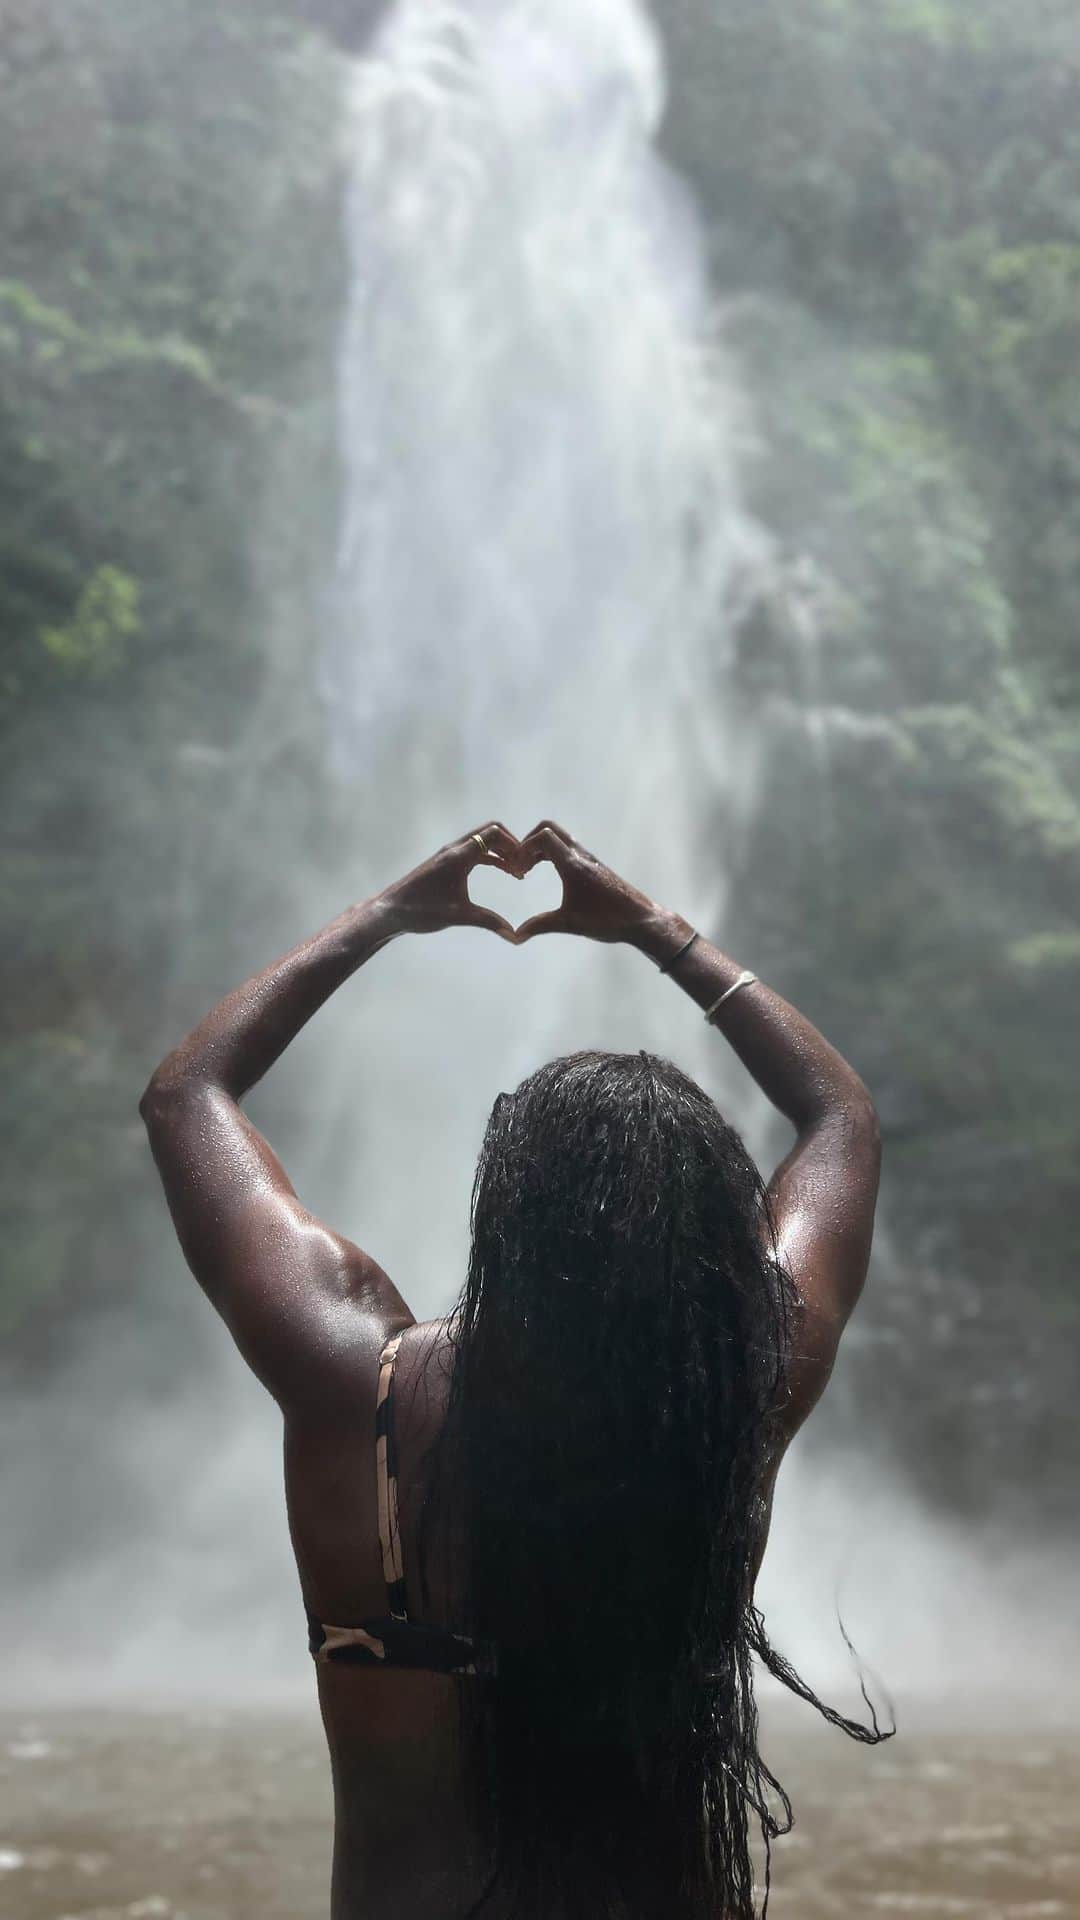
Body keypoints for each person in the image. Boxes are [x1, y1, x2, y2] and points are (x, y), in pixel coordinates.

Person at [140, 817, 890, 1920]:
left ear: (504, 1223)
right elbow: (843, 1122)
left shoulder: (359, 1386)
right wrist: (653, 928)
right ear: (713, 1250)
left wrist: (387, 916)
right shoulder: (736, 1390)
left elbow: (186, 1097)